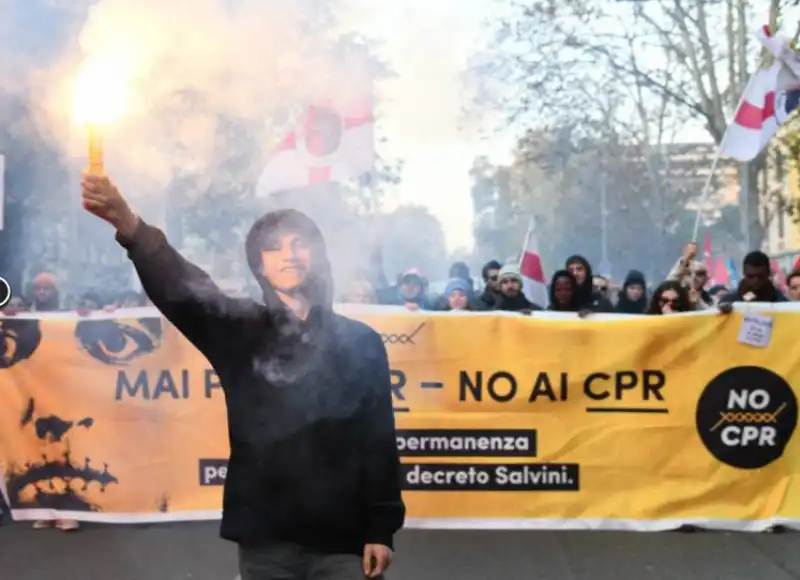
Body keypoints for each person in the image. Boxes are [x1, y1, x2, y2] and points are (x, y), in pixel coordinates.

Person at [81, 174, 405, 580]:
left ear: (319, 255)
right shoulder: (242, 332)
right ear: (260, 266)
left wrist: (381, 529)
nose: (288, 254)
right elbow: (183, 288)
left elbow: (378, 440)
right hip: (265, 541)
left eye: (299, 243)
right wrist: (129, 225)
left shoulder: (362, 341)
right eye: (273, 248)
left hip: (346, 543)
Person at [718, 251, 787, 312]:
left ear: (768, 273)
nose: (755, 281)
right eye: (750, 276)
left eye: (760, 276)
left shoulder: (783, 304)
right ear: (744, 273)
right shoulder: (728, 303)